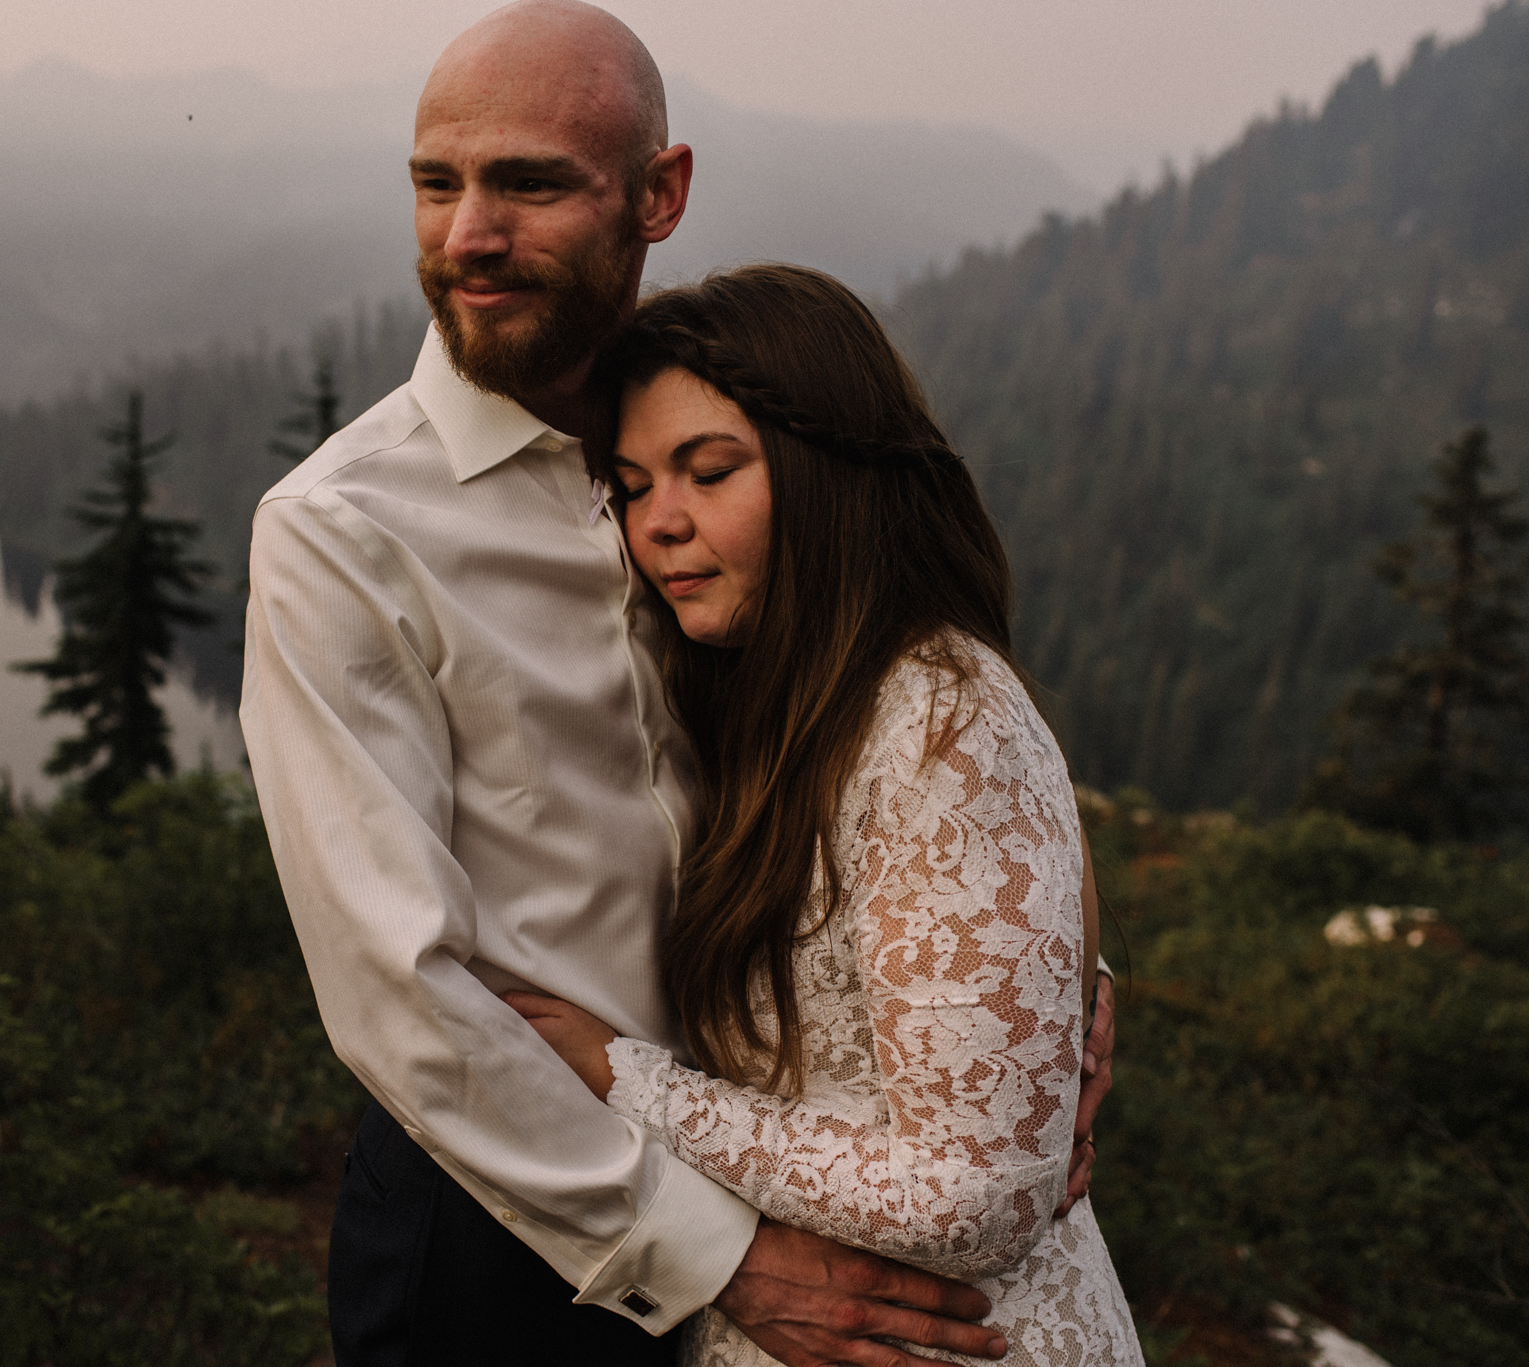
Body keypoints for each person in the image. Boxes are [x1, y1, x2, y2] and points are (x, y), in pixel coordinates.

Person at [239, 3, 1114, 1363]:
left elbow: (891, 757)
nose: (469, 232)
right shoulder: (346, 532)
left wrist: (1048, 1002)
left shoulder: (755, 460)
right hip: (511, 1226)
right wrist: (720, 1251)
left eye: (527, 181)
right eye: (435, 182)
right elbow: (398, 989)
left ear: (660, 194)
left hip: (800, 1177)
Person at [505, 263, 1142, 1366]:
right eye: (633, 484)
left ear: (827, 473)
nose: (660, 523)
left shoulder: (936, 717)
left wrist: (626, 1078)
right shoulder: (773, 697)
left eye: (708, 471)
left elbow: (977, 1194)